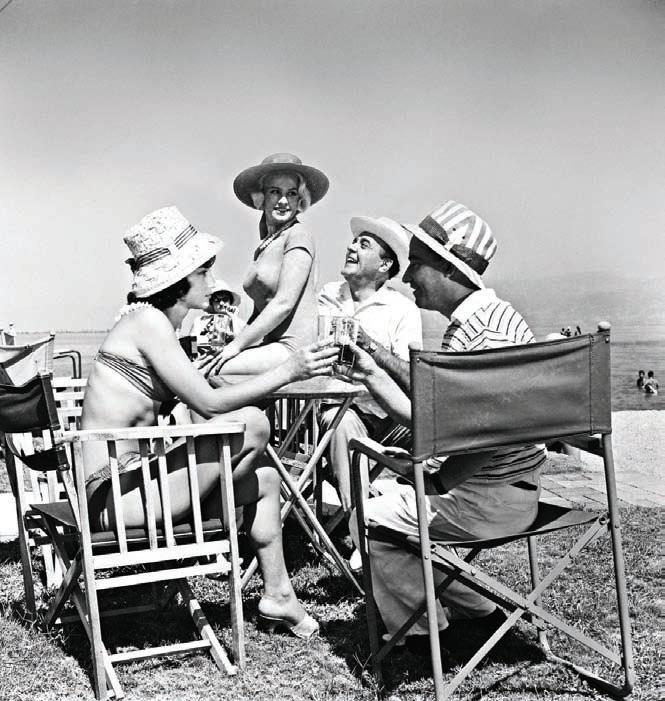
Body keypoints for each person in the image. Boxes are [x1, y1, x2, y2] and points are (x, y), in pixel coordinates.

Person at [81, 206, 338, 639]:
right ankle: (235, 541)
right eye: (204, 271)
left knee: (266, 479)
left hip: (137, 486)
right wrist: (289, 370)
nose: (214, 281)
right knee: (252, 424)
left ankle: (278, 595)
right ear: (179, 281)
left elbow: (197, 396)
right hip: (114, 498)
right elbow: (211, 405)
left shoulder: (151, 324)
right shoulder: (147, 322)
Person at [344, 200, 546, 648]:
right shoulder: (488, 320)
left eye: (417, 263)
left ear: (450, 269)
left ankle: (422, 636)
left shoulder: (482, 336)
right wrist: (374, 362)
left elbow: (482, 432)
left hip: (489, 501)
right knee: (382, 495)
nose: (407, 277)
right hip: (509, 490)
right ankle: (479, 611)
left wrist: (438, 481)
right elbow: (443, 404)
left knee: (369, 518)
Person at [317, 216, 422, 568]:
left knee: (433, 425)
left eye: (363, 245)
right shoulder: (328, 296)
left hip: (389, 415)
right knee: (341, 422)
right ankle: (364, 534)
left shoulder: (401, 308)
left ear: (384, 265)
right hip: (340, 409)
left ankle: (434, 522)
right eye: (353, 242)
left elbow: (413, 376)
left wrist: (371, 346)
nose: (351, 247)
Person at [208, 153, 329, 378]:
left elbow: (283, 303)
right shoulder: (268, 243)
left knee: (207, 371)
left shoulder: (299, 235)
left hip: (294, 349)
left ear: (300, 200)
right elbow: (260, 310)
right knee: (202, 361)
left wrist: (235, 348)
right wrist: (235, 341)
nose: (283, 201)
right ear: (261, 197)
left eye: (291, 193)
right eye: (275, 192)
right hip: (271, 345)